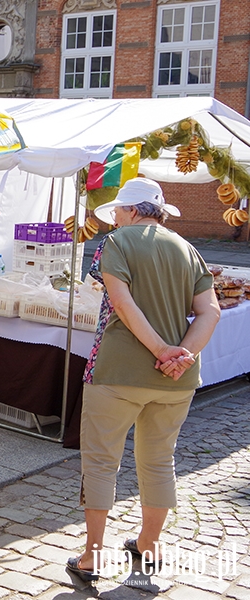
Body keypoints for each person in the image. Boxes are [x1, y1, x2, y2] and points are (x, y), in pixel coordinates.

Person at [66, 178, 219, 581]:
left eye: (117, 210)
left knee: (100, 462)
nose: (114, 218)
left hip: (118, 370)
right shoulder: (188, 249)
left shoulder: (116, 244)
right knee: (158, 461)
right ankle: (148, 544)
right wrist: (181, 354)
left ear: (132, 211)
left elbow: (122, 302)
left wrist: (160, 350)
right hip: (175, 379)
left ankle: (93, 555)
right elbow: (210, 312)